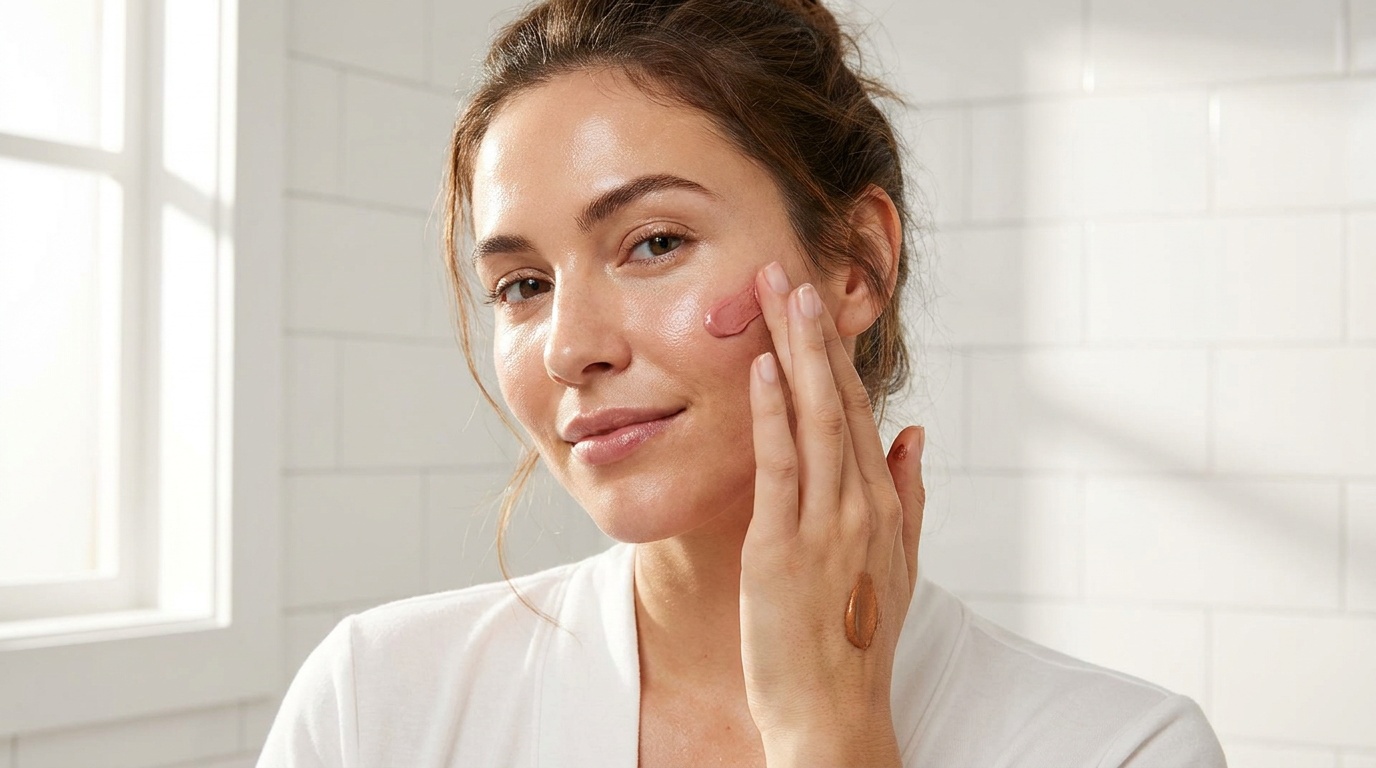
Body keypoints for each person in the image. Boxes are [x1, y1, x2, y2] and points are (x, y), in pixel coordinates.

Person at [258, 0, 1228, 765]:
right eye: (521, 284)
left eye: (653, 243)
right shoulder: (372, 703)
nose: (567, 347)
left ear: (854, 262)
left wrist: (830, 741)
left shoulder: (1118, 750)